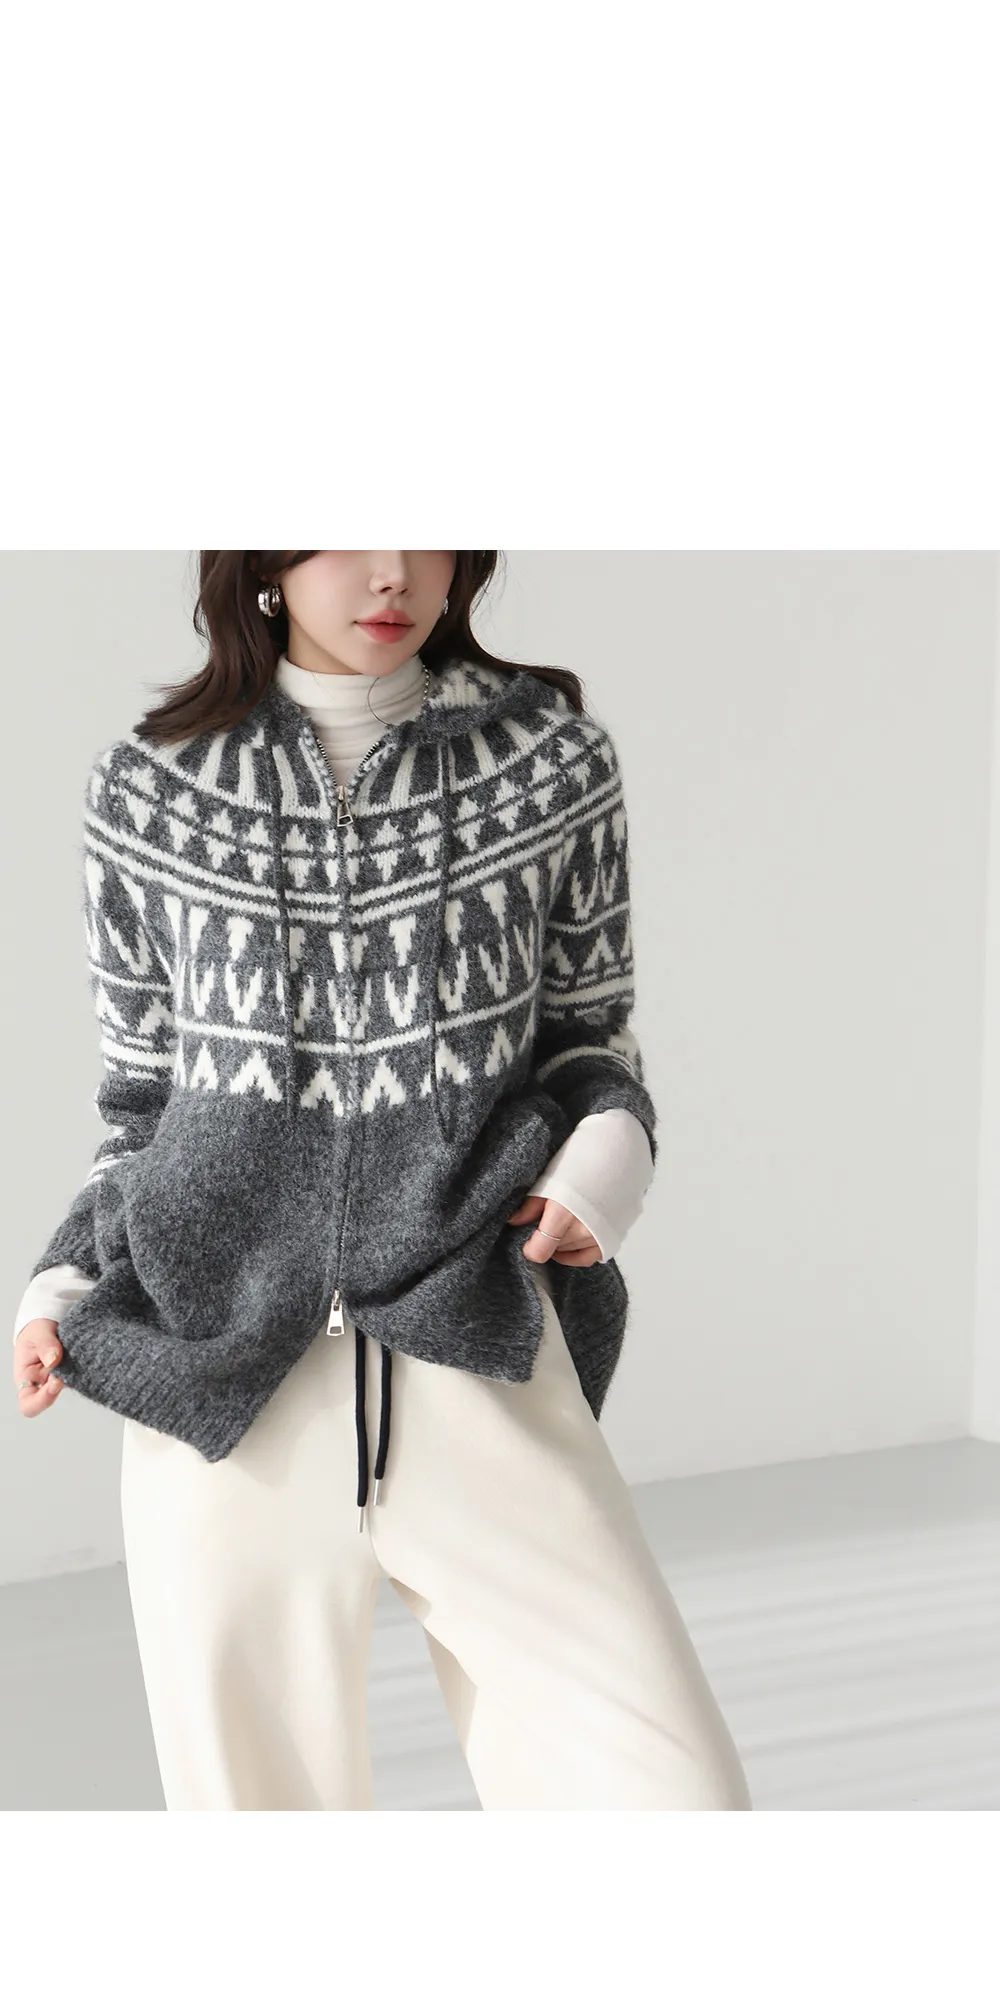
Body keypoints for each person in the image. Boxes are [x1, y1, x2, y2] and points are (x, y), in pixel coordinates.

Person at [13, 550, 752, 1812]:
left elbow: (590, 1045)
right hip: (218, 1389)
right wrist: (60, 1281)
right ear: (264, 555)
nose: (392, 569)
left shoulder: (549, 764)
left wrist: (606, 1166)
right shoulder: (149, 788)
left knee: (670, 1801)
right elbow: (140, 1106)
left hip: (472, 1346)